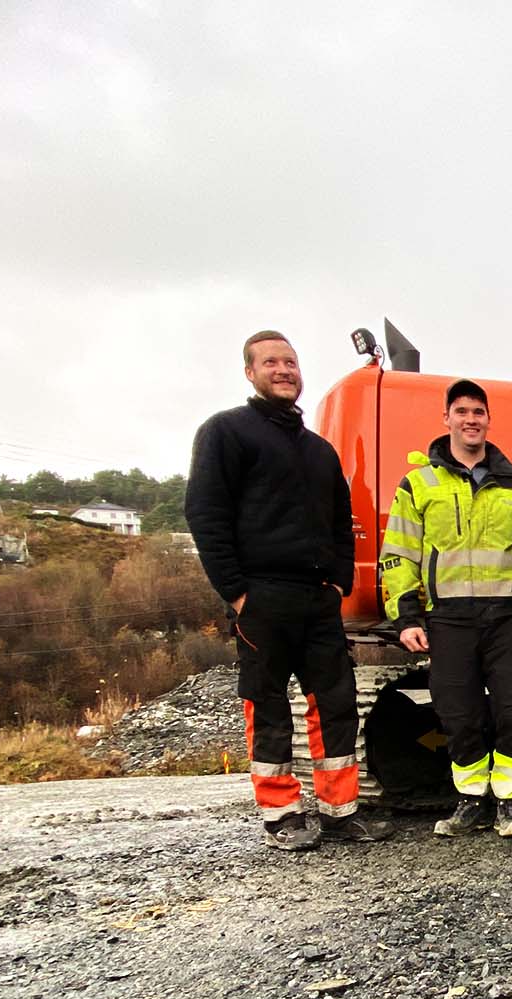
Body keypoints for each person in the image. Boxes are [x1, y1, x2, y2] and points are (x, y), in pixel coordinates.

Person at [185, 330, 392, 851]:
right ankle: (281, 814)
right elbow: (206, 516)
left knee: (336, 703)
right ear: (250, 372)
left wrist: (338, 581)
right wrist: (236, 592)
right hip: (262, 597)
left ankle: (341, 812)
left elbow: (341, 525)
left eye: (292, 362)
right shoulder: (226, 433)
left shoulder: (318, 451)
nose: (284, 370)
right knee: (269, 705)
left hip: (318, 599)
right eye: (272, 362)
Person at [381, 380, 512, 838]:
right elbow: (399, 554)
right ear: (447, 419)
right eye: (462, 411)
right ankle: (471, 799)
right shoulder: (418, 484)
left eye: (478, 411)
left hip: (507, 617)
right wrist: (407, 617)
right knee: (459, 714)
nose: (471, 419)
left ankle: (511, 802)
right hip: (449, 617)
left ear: (488, 419)